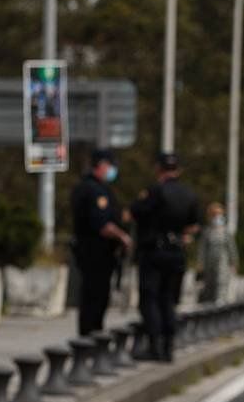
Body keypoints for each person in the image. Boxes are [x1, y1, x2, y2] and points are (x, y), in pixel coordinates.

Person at [131, 152, 200, 362]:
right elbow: (194, 226)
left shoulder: (155, 191)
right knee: (169, 299)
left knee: (150, 298)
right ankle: (169, 346)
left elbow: (136, 212)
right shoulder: (189, 195)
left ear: (159, 169)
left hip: (154, 252)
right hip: (177, 252)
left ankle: (155, 346)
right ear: (178, 170)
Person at [70, 149, 132, 336]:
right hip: (96, 252)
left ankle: (91, 335)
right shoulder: (94, 190)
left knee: (96, 296)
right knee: (95, 297)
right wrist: (123, 237)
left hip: (95, 253)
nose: (113, 170)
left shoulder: (90, 187)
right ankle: (90, 337)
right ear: (102, 165)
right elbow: (103, 225)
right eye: (111, 165)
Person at [197, 203, 237, 304]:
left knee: (221, 282)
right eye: (214, 214)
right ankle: (208, 304)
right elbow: (202, 249)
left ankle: (220, 302)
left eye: (219, 214)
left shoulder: (226, 232)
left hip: (223, 261)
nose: (217, 217)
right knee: (209, 284)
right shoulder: (207, 232)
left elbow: (231, 248)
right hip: (209, 262)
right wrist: (200, 263)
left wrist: (233, 262)